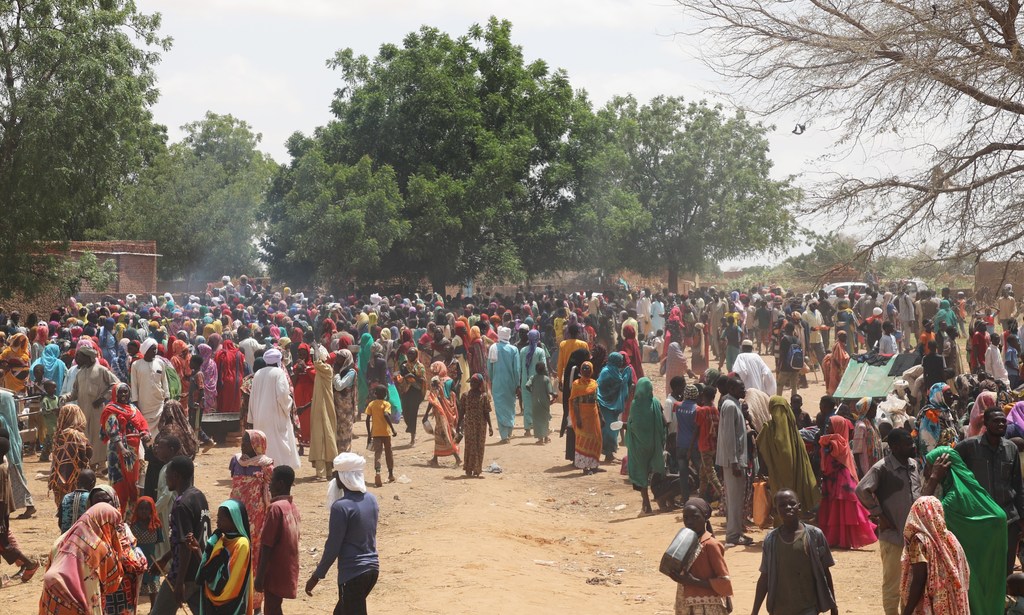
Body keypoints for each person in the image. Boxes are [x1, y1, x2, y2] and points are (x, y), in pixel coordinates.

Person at [923, 446, 1006, 615]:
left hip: (971, 562)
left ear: (943, 468)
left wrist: (932, 479)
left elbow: (921, 512)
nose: (925, 469)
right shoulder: (970, 488)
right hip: (983, 559)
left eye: (929, 465)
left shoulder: (955, 498)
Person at [854, 428, 921, 615]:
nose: (913, 446)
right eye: (908, 443)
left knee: (910, 583)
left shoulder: (913, 465)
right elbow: (861, 490)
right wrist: (879, 515)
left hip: (914, 536)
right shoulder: (881, 468)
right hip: (893, 535)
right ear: (895, 447)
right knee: (893, 584)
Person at [953, 405, 1024, 573]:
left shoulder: (1011, 448)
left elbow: (1017, 486)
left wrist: (1022, 518)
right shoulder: (968, 447)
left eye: (1003, 421)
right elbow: (952, 470)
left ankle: (1003, 598)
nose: (1001, 424)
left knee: (1006, 567)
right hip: (980, 517)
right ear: (986, 422)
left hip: (1008, 518)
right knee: (981, 566)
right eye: (996, 421)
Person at [307, 453, 380, 615]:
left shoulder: (341, 507)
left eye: (337, 474)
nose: (334, 477)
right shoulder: (371, 500)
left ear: (345, 477)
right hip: (371, 570)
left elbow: (333, 547)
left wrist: (316, 576)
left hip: (353, 573)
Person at [751, 490, 838, 615]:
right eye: (782, 505)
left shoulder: (814, 536)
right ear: (775, 511)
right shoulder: (771, 540)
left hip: (809, 608)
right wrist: (754, 611)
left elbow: (825, 573)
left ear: (799, 507)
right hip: (779, 608)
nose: (788, 507)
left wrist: (833, 607)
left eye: (792, 503)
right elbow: (764, 577)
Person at [39, 503, 126, 615]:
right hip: (74, 601)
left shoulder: (64, 537)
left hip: (51, 586)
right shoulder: (99, 547)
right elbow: (112, 584)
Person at [150, 456, 211, 615]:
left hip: (184, 575)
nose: (166, 479)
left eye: (167, 475)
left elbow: (185, 545)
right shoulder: (199, 496)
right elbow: (190, 538)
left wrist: (179, 582)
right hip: (199, 570)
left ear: (176, 476)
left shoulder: (181, 504)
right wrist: (165, 558)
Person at [899, 496, 970, 615]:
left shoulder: (919, 542)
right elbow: (965, 571)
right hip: (952, 604)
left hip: (931, 606)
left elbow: (919, 580)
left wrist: (907, 611)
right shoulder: (951, 539)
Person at [755, 396, 820, 525]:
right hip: (790, 473)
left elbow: (760, 447)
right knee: (791, 499)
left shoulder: (770, 429)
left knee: (781, 499)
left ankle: (784, 526)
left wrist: (762, 468)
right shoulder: (791, 431)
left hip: (778, 473)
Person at [230, 430, 274, 613]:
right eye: (243, 441)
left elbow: (270, 489)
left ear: (257, 445)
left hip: (256, 516)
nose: (243, 444)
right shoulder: (236, 461)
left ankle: (254, 602)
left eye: (247, 442)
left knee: (255, 555)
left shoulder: (266, 465)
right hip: (236, 513)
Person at [817, 415, 877, 549]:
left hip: (840, 481)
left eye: (830, 424)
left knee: (843, 510)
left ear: (838, 427)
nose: (827, 427)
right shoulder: (833, 441)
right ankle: (837, 538)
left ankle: (842, 539)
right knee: (835, 509)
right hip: (833, 480)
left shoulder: (839, 442)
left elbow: (831, 451)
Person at [669, 497, 732, 615]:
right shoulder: (684, 542)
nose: (689, 522)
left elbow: (724, 582)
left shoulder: (711, 544)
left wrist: (693, 581)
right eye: (686, 518)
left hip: (708, 607)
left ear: (705, 517)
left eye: (695, 517)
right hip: (686, 604)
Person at [189, 499, 253, 615]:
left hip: (231, 606)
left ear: (235, 521)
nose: (217, 522)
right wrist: (198, 550)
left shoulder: (241, 544)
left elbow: (227, 580)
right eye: (218, 517)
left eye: (222, 519)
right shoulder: (221, 540)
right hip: (215, 606)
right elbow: (208, 571)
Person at [101, 383, 151, 520]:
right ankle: (119, 515)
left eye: (126, 392)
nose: (124, 395)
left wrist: (145, 433)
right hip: (117, 452)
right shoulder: (110, 410)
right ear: (115, 394)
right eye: (121, 393)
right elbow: (112, 432)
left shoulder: (134, 409)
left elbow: (142, 424)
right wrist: (122, 449)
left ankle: (132, 515)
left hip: (134, 450)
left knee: (133, 483)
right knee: (120, 482)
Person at [255, 465, 301, 615]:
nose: (269, 486)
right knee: (275, 606)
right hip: (287, 566)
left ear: (280, 484)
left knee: (272, 608)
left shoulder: (275, 508)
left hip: (274, 569)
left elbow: (267, 544)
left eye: (272, 481)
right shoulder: (292, 506)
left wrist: (260, 576)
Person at [249, 349, 301, 470]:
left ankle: (266, 470)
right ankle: (280, 470)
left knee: (264, 445)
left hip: (259, 416)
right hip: (275, 416)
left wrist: (252, 417)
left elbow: (253, 397)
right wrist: (289, 405)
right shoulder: (279, 373)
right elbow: (283, 394)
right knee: (280, 444)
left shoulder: (258, 373)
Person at [716, 376, 751, 547]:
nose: (743, 390)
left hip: (736, 459)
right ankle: (733, 535)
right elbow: (729, 436)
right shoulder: (730, 406)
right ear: (731, 389)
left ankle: (736, 532)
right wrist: (735, 461)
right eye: (740, 388)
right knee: (735, 499)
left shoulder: (734, 403)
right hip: (733, 461)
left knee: (736, 498)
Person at [626, 377, 666, 515]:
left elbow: (633, 425)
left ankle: (647, 504)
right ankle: (660, 501)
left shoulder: (635, 405)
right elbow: (663, 421)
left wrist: (628, 427)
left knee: (641, 473)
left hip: (639, 446)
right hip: (654, 444)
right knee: (654, 471)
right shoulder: (655, 402)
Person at [48, 404, 93, 507]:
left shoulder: (58, 434)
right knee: (76, 509)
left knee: (63, 511)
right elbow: (87, 453)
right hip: (74, 479)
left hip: (58, 478)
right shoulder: (76, 434)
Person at [596, 352, 633, 463]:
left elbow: (620, 383)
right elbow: (600, 387)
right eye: (620, 361)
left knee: (613, 430)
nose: (621, 363)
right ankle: (608, 454)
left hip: (613, 406)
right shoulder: (606, 372)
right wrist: (622, 382)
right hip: (605, 405)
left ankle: (610, 454)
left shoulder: (616, 371)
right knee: (608, 430)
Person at [311, 346, 340, 480]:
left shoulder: (327, 369)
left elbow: (316, 362)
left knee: (322, 437)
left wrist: (316, 347)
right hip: (320, 407)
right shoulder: (322, 370)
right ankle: (326, 471)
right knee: (323, 437)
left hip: (324, 408)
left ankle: (322, 472)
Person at [487, 327, 521, 440]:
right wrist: (517, 384)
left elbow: (489, 367)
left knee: (499, 407)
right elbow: (516, 369)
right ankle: (509, 430)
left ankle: (504, 435)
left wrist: (492, 379)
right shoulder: (513, 350)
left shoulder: (493, 348)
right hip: (510, 382)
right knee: (510, 406)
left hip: (497, 382)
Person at [130, 496, 163, 607]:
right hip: (136, 561)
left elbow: (159, 545)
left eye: (146, 509)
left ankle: (153, 609)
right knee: (135, 587)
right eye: (141, 509)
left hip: (151, 560)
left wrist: (159, 561)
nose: (144, 511)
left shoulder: (156, 525)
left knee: (153, 586)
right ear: (137, 510)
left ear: (151, 510)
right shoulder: (132, 526)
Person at [570, 362, 602, 475]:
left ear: (591, 371)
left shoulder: (594, 383)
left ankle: (594, 465)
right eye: (584, 369)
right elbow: (574, 402)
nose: (586, 371)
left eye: (588, 369)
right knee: (584, 440)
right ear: (581, 371)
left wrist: (601, 416)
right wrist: (578, 418)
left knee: (596, 439)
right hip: (582, 416)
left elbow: (596, 401)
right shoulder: (576, 384)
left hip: (594, 416)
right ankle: (585, 467)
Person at [459, 374, 494, 478]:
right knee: (470, 446)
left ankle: (477, 469)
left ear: (480, 384)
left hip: (480, 427)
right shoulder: (465, 396)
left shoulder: (484, 397)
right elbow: (462, 411)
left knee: (479, 446)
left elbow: (486, 412)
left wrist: (490, 426)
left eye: (475, 382)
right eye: (471, 382)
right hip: (469, 425)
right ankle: (469, 469)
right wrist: (458, 424)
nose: (472, 384)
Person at [130, 338, 170, 429]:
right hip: (144, 404)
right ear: (146, 350)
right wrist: (135, 402)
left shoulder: (160, 363)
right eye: (152, 349)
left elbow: (164, 381)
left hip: (159, 402)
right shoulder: (136, 365)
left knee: (160, 427)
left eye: (155, 349)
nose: (155, 351)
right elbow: (134, 384)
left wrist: (167, 397)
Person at [426, 362, 461, 464]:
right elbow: (454, 395)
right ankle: (435, 458)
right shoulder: (449, 381)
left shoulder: (435, 382)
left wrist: (425, 415)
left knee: (445, 434)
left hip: (441, 412)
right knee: (441, 434)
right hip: (448, 411)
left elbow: (432, 400)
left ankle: (457, 457)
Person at [694, 385, 722, 503]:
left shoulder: (701, 410)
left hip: (704, 445)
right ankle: (701, 497)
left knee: (710, 473)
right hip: (713, 445)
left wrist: (691, 447)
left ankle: (723, 493)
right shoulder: (715, 410)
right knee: (703, 473)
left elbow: (697, 428)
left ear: (703, 396)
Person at [365, 384, 397, 487]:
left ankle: (378, 472)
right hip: (386, 433)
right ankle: (391, 474)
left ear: (375, 394)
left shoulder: (371, 404)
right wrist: (392, 429)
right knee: (388, 453)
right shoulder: (386, 404)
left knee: (377, 453)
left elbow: (367, 419)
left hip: (376, 433)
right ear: (385, 394)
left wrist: (369, 434)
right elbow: (386, 414)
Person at [519, 330, 548, 439]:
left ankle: (527, 429)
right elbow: (543, 366)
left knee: (527, 405)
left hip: (525, 382)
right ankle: (538, 428)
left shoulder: (522, 351)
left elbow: (519, 368)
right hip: (538, 382)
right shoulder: (540, 351)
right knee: (538, 405)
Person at [396, 348, 426, 446]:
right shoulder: (404, 365)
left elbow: (423, 379)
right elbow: (399, 375)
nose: (410, 355)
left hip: (416, 391)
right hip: (405, 390)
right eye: (408, 353)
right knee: (405, 412)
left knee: (413, 414)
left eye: (412, 354)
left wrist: (412, 376)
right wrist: (400, 378)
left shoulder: (420, 366)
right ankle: (411, 427)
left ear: (416, 355)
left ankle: (413, 437)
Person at [333, 350, 358, 453]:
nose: (337, 360)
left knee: (345, 434)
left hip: (346, 408)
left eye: (340, 358)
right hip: (336, 407)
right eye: (337, 357)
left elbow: (339, 386)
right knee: (337, 433)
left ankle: (345, 458)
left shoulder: (351, 372)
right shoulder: (336, 371)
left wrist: (337, 373)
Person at [851, 397, 883, 479]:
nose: (875, 412)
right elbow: (856, 451)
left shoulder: (873, 424)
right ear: (867, 410)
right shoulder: (861, 426)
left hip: (875, 462)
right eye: (873, 409)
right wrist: (860, 471)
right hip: (865, 465)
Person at [524, 362, 555, 444]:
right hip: (545, 402)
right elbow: (550, 391)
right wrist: (554, 396)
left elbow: (527, 385)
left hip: (535, 402)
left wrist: (532, 392)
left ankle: (540, 439)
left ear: (536, 370)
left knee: (537, 420)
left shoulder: (533, 378)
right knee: (545, 420)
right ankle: (546, 437)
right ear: (544, 369)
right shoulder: (546, 379)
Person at [57, 468, 96, 533]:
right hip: (84, 539)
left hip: (66, 538)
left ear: (76, 483)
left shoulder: (66, 497)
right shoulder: (91, 498)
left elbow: (60, 522)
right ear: (93, 484)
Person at [821, 330, 850, 397]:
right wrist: (840, 367)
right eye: (843, 336)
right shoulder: (838, 345)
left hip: (836, 367)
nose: (845, 338)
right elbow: (838, 358)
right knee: (835, 382)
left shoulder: (840, 344)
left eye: (845, 336)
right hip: (836, 367)